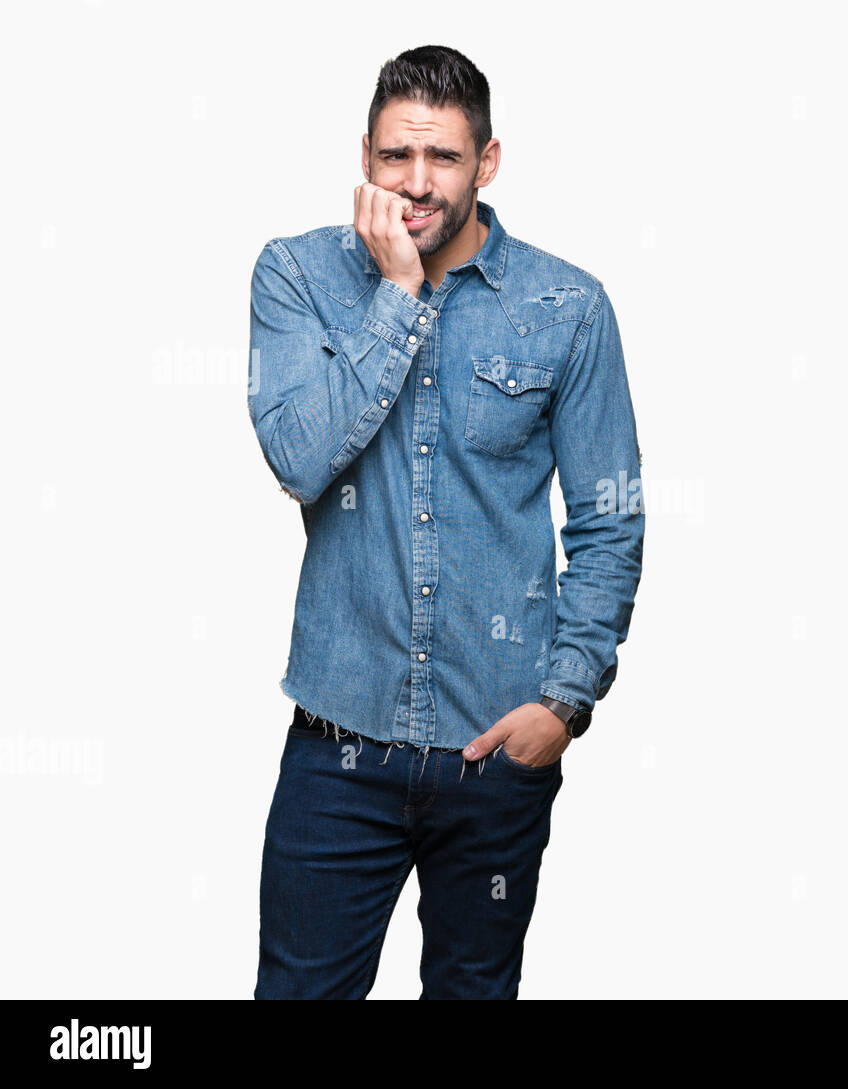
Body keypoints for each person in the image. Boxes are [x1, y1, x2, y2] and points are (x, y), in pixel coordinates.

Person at [246, 44, 645, 999]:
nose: (417, 184)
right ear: (366, 157)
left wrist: (564, 701)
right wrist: (398, 293)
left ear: (488, 162)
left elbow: (610, 517)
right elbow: (300, 459)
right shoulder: (296, 277)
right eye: (395, 158)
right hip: (337, 743)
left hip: (494, 754)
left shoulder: (568, 307)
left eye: (444, 159)